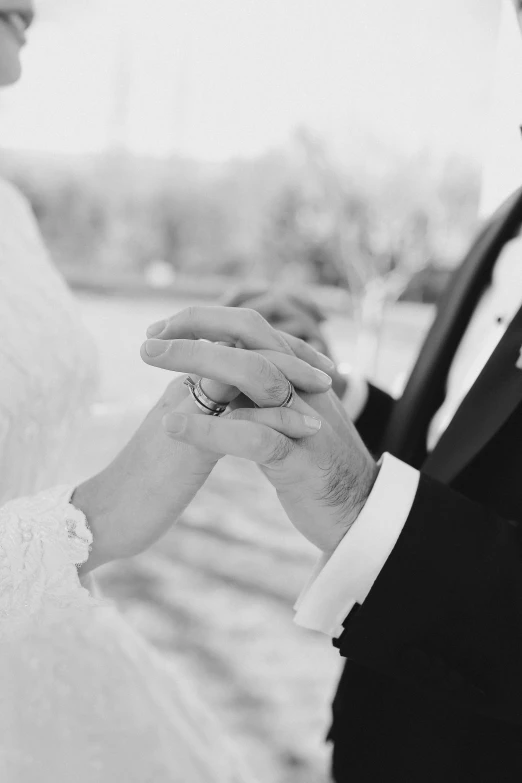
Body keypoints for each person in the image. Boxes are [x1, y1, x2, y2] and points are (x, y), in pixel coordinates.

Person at [138, 11, 522, 781]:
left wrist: (357, 502)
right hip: (383, 735)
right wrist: (335, 389)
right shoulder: (504, 221)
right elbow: (459, 447)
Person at [0, 5, 333, 780]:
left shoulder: (9, 209)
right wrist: (91, 522)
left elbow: (32, 431)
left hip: (58, 668)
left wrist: (197, 404)